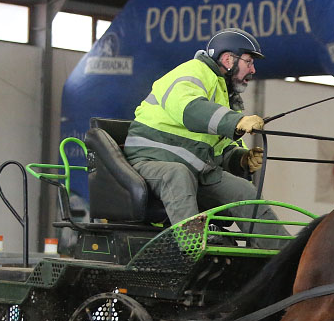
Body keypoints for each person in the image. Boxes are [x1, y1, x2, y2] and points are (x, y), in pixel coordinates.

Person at [123, 27, 289, 247]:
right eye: (248, 62)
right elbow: (189, 109)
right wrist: (235, 122)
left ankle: (287, 255)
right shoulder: (193, 72)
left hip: (197, 170)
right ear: (229, 59)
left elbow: (219, 149)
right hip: (151, 161)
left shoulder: (226, 95)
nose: (253, 69)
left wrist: (240, 158)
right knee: (177, 174)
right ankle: (191, 247)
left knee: (244, 190)